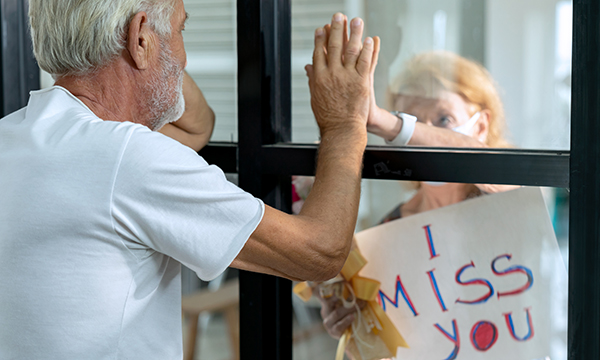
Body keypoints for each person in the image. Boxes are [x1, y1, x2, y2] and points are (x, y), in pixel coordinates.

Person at [0, 1, 379, 358]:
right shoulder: (129, 158)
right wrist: (344, 124)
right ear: (141, 38)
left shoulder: (15, 134)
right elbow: (321, 252)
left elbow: (196, 126)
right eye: (181, 31)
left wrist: (150, 52)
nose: (184, 58)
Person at [315, 51, 518, 345]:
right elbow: (387, 347)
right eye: (414, 123)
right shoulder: (391, 230)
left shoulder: (509, 203)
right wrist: (352, 333)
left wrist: (392, 123)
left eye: (443, 119)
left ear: (481, 126)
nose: (424, 137)